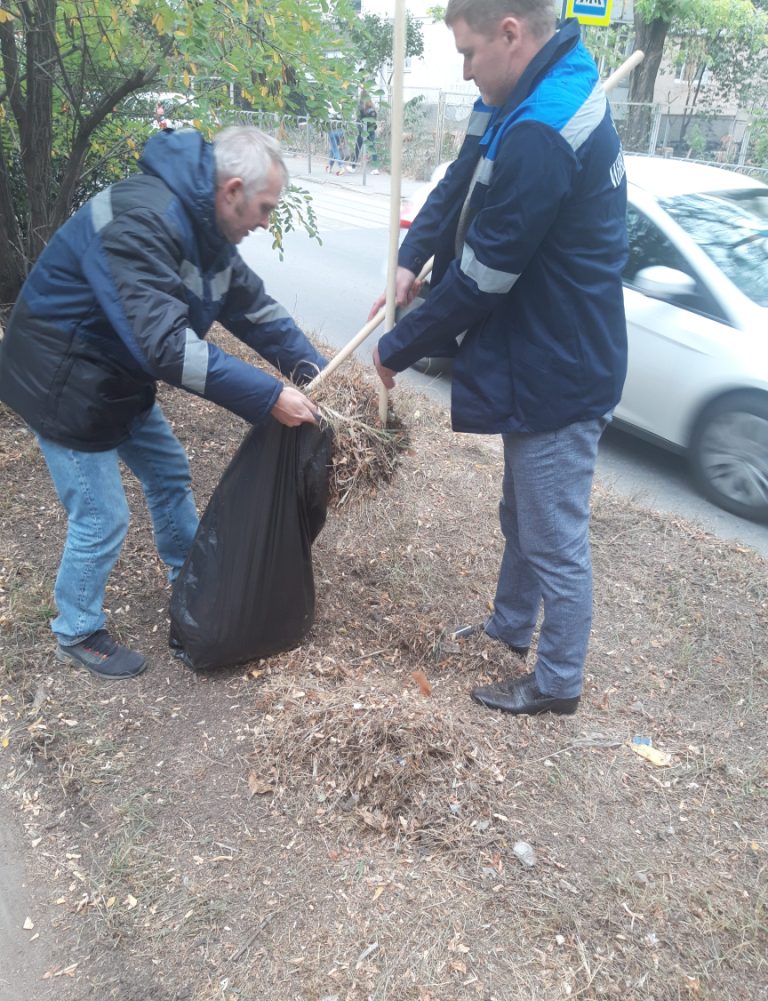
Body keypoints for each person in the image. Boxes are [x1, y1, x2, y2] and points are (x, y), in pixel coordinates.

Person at [370, 0, 628, 716]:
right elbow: (459, 177)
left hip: (562, 362)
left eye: (467, 54)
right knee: (522, 514)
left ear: (510, 34)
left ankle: (558, 684)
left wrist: (400, 345)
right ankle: (511, 627)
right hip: (539, 347)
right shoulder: (522, 93)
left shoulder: (543, 130)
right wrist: (408, 258)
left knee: (551, 536)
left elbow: (485, 276)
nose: (463, 69)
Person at [0, 126, 325, 680]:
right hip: (62, 382)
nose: (267, 221)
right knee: (102, 515)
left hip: (113, 377)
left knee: (169, 470)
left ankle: (191, 574)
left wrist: (317, 376)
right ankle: (76, 628)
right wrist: (270, 396)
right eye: (266, 208)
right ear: (232, 191)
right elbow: (168, 348)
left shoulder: (208, 230)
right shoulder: (139, 220)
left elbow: (255, 311)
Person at [354, 92, 380, 174]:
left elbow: (360, 120)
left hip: (364, 131)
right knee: (372, 149)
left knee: (357, 148)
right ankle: (376, 168)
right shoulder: (372, 108)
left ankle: (353, 166)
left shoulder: (363, 108)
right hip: (371, 130)